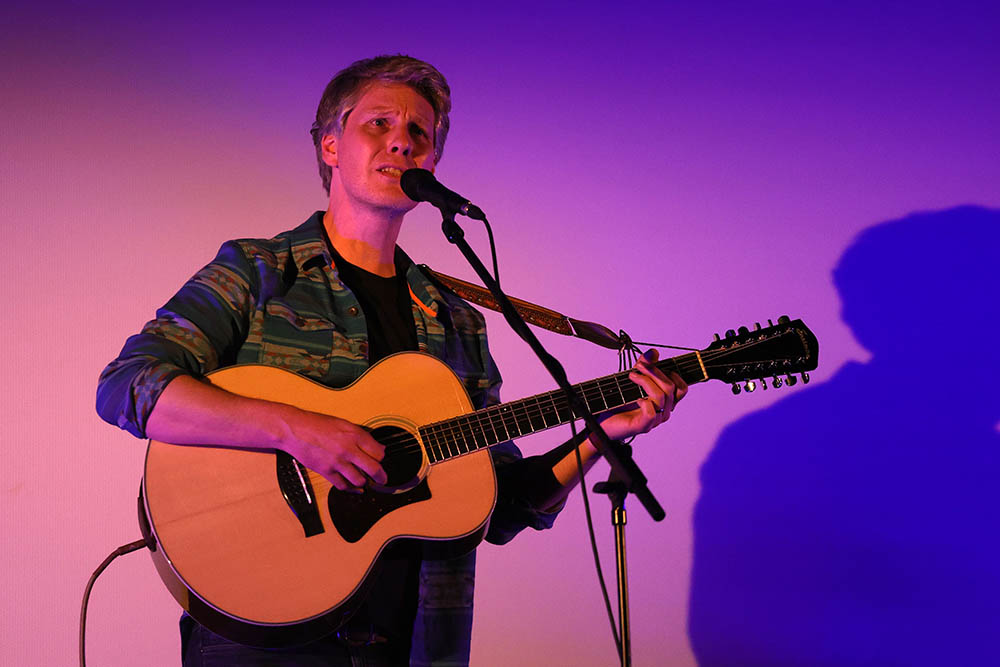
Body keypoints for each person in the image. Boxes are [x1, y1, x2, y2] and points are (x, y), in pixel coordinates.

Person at [97, 55, 687, 666]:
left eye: (420, 134)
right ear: (330, 144)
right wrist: (299, 431)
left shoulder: (457, 320)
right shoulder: (259, 270)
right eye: (379, 124)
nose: (402, 141)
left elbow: (504, 502)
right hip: (262, 635)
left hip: (417, 637)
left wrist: (603, 434)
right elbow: (128, 387)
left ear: (433, 162)